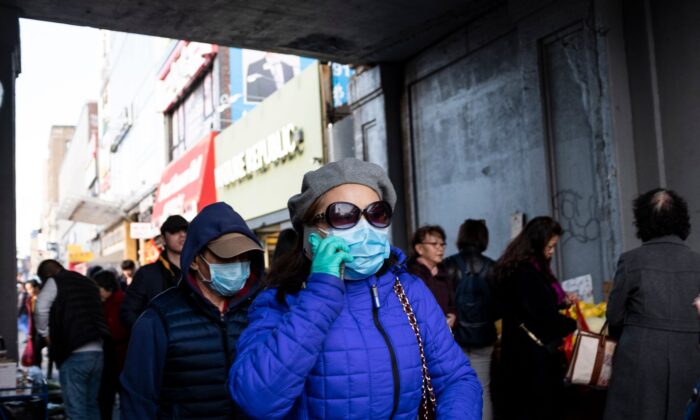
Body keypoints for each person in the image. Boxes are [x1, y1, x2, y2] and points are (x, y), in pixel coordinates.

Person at [229, 158, 482, 419]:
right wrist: (321, 293)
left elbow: (457, 380)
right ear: (310, 234)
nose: (365, 228)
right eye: (342, 215)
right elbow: (256, 400)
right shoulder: (280, 301)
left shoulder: (409, 291)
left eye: (376, 214)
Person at [120, 202, 264, 419]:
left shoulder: (261, 311)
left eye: (244, 256)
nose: (238, 264)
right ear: (196, 260)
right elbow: (138, 401)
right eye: (226, 256)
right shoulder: (158, 320)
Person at [604, 189, 700, 420]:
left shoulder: (631, 260)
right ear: (681, 219)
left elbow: (614, 317)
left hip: (640, 357)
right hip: (688, 356)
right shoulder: (698, 262)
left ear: (643, 220)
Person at [493, 216, 576, 420]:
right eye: (550, 246)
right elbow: (543, 316)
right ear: (538, 244)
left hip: (518, 354)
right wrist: (571, 324)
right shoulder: (527, 272)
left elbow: (529, 306)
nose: (552, 251)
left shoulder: (515, 267)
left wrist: (559, 303)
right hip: (532, 361)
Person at [35, 259, 110, 420]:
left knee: (76, 411)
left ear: (47, 275)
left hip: (74, 353)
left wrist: (45, 334)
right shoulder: (88, 282)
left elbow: (40, 308)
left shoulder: (55, 281)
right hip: (98, 352)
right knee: (91, 405)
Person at [443, 219, 498, 420]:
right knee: (483, 388)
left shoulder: (447, 265)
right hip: (484, 337)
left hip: (454, 338)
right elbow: (498, 307)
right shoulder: (493, 267)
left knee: (456, 389)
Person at [120, 215, 188, 329]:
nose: (182, 235)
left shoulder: (199, 269)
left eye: (186, 230)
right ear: (162, 239)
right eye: (174, 231)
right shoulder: (147, 274)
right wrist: (152, 333)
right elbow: (127, 312)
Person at [93, 270, 129, 420]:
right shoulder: (104, 303)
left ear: (107, 287)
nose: (97, 292)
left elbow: (116, 330)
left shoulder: (121, 301)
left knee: (119, 395)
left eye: (98, 288)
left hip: (120, 354)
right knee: (106, 397)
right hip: (110, 354)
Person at [406, 225, 456, 327]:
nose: (440, 248)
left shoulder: (444, 272)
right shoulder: (409, 274)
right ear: (419, 248)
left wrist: (453, 315)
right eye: (434, 244)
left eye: (442, 244)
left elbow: (452, 303)